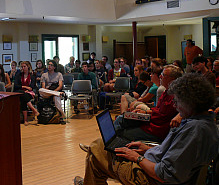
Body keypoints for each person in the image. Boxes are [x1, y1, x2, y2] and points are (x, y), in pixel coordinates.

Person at [74, 73, 218, 185]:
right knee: (98, 152)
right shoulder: (207, 124)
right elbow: (176, 155)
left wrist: (137, 157)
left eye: (177, 101)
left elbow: (163, 174)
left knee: (96, 149)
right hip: (157, 166)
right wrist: (148, 149)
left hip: (149, 179)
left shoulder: (193, 131)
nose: (176, 106)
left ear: (189, 102)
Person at [14, 61, 39, 126]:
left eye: (24, 66)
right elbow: (16, 86)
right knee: (22, 94)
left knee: (23, 98)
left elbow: (32, 86)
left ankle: (25, 120)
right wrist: (24, 87)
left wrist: (28, 90)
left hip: (29, 93)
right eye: (22, 67)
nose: (23, 68)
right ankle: (33, 110)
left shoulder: (32, 75)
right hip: (20, 92)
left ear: (28, 67)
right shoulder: (18, 75)